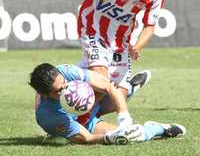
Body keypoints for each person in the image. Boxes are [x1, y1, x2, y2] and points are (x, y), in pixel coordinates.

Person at [37, 0, 168, 114]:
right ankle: (68, 124)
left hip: (121, 38)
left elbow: (150, 25)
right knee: (100, 84)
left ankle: (124, 89)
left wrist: (137, 46)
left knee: (116, 99)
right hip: (93, 27)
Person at [29, 62, 186, 145]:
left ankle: (129, 88)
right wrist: (110, 137)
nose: (67, 89)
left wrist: (125, 119)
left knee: (115, 90)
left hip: (92, 99)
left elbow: (107, 86)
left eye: (64, 83)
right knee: (131, 136)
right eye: (58, 91)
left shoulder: (66, 71)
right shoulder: (48, 115)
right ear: (44, 95)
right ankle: (158, 128)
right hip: (79, 122)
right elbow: (87, 138)